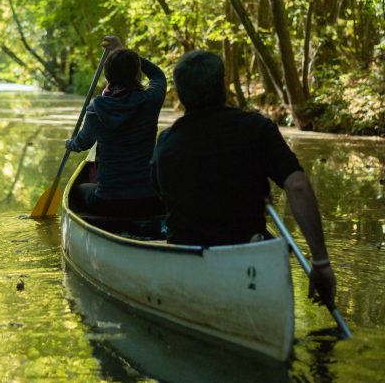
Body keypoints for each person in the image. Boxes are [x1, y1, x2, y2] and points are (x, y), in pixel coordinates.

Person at [151, 50, 336, 305]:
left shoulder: (166, 144)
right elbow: (298, 186)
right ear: (223, 87)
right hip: (249, 255)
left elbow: (163, 194)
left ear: (180, 96)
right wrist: (321, 262)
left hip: (188, 256)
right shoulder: (257, 128)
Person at [65, 36, 166, 217]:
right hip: (149, 201)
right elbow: (158, 74)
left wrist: (69, 144)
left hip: (108, 202)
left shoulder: (96, 109)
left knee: (78, 190)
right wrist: (124, 51)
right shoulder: (151, 100)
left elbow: (82, 144)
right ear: (138, 73)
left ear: (106, 76)